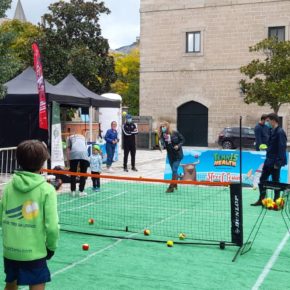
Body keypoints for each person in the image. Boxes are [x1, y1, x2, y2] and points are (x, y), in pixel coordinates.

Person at [0, 140, 59, 290]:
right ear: (42, 164)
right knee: (37, 283)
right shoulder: (47, 190)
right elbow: (52, 227)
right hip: (34, 252)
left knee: (11, 283)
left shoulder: (8, 188)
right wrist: (51, 247)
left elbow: (1, 218)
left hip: (10, 250)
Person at [251, 113, 287, 206]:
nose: (268, 122)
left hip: (275, 162)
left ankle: (276, 202)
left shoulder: (280, 132)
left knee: (276, 183)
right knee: (262, 180)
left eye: (269, 121)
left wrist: (278, 163)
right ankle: (261, 199)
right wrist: (265, 148)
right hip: (268, 160)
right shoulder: (272, 130)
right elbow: (272, 146)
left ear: (273, 120)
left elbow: (282, 148)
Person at [158, 121, 185, 193]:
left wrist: (178, 146)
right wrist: (162, 146)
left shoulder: (175, 133)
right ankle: (175, 183)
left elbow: (182, 140)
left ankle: (171, 187)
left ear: (167, 126)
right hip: (170, 155)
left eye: (164, 126)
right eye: (161, 127)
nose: (163, 128)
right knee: (174, 171)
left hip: (178, 155)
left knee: (174, 169)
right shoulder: (162, 135)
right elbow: (162, 144)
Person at [66, 132, 90, 197]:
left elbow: (68, 150)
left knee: (73, 173)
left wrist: (68, 162)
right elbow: (85, 147)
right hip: (84, 154)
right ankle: (81, 191)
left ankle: (72, 191)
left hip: (74, 154)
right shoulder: (83, 138)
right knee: (83, 174)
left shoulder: (68, 138)